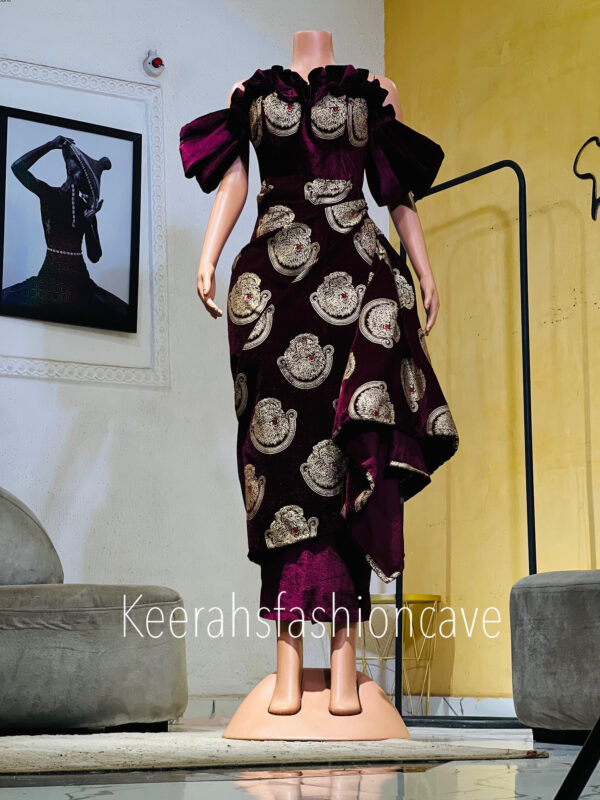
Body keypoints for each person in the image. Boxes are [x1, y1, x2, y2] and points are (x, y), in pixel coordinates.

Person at [179, 32, 460, 717]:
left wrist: (423, 269)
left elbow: (393, 190)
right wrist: (209, 255)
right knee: (275, 466)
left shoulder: (377, 91)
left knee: (345, 458)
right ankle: (285, 665)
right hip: (270, 291)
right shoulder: (248, 94)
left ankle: (342, 665)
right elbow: (234, 180)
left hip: (357, 278)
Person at [2, 135, 129, 330]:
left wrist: (90, 223)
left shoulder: (86, 210)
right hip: (47, 281)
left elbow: (95, 256)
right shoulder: (48, 194)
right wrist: (49, 145)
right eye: (72, 171)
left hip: (80, 286)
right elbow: (17, 168)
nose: (74, 177)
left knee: (120, 314)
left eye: (79, 174)